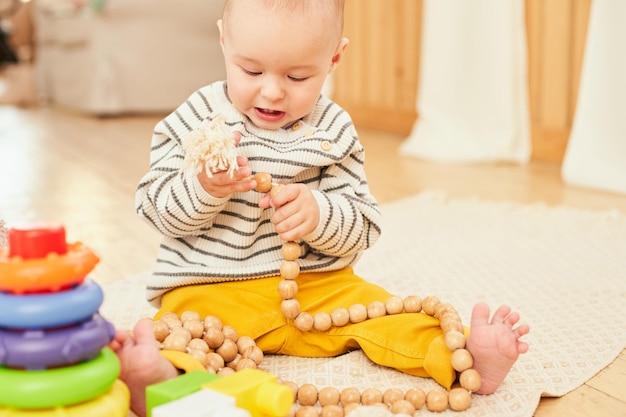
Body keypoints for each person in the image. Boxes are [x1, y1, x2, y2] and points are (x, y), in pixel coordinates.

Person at [110, 1, 530, 416]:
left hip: (317, 286)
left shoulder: (333, 130)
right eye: (251, 71)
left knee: (381, 311)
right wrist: (203, 186)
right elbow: (153, 206)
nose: (272, 90)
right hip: (212, 288)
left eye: (298, 75)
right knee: (183, 331)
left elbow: (365, 226)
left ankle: (463, 355)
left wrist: (319, 213)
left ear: (334, 59)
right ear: (224, 41)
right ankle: (164, 375)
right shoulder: (195, 120)